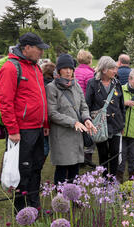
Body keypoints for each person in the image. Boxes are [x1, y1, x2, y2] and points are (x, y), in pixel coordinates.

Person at [0, 32, 50, 212]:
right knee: (22, 170)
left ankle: (34, 205)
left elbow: (41, 98)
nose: (41, 53)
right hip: (22, 130)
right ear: (26, 48)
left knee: (36, 167)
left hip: (37, 128)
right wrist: (12, 129)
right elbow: (5, 101)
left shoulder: (35, 68)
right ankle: (21, 210)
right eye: (39, 49)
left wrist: (45, 124)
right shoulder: (11, 68)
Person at [46, 54, 97, 185]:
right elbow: (52, 113)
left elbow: (83, 106)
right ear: (59, 70)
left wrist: (86, 119)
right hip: (61, 135)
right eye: (65, 68)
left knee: (75, 167)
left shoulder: (76, 86)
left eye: (70, 68)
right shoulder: (51, 88)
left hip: (77, 134)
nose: (68, 71)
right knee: (62, 168)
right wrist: (73, 122)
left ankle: (74, 197)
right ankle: (60, 200)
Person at [85, 56, 126, 181]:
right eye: (112, 68)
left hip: (116, 125)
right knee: (103, 154)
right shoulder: (92, 83)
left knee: (114, 154)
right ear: (104, 70)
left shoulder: (116, 83)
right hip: (100, 125)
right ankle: (104, 181)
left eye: (115, 68)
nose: (115, 71)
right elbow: (88, 104)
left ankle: (112, 181)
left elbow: (121, 104)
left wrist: (122, 123)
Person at [75, 49, 97, 169]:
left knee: (78, 133)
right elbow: (91, 92)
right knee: (89, 133)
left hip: (74, 106)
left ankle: (78, 157)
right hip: (85, 107)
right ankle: (87, 158)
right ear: (89, 60)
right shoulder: (89, 74)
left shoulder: (75, 71)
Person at [41, 62, 56, 162]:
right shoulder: (53, 85)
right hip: (52, 117)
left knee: (44, 144)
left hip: (43, 117)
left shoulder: (40, 83)